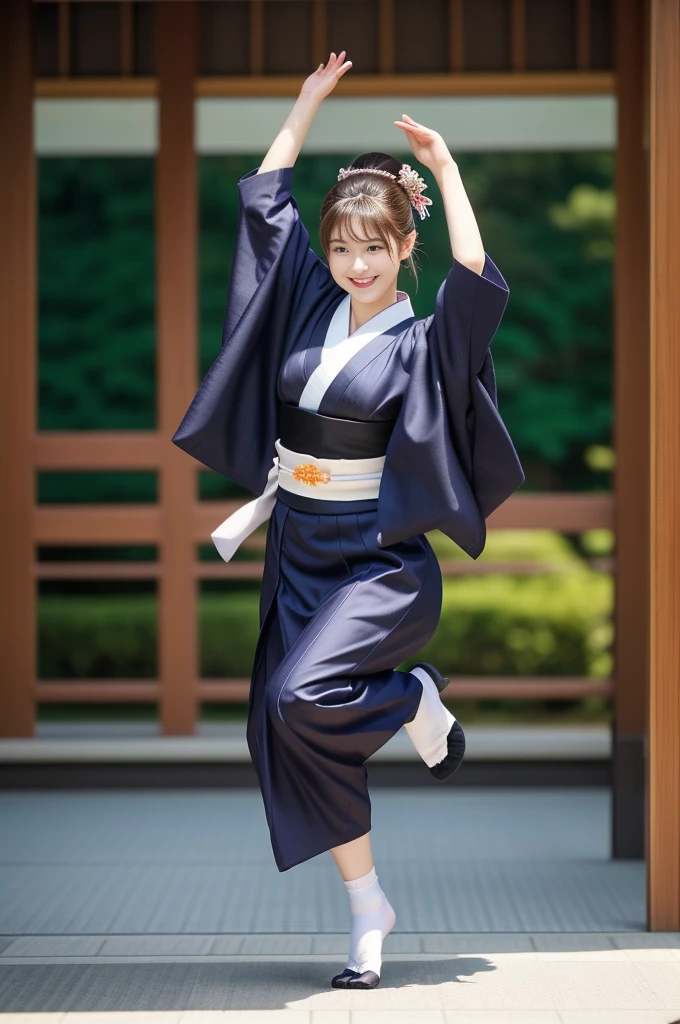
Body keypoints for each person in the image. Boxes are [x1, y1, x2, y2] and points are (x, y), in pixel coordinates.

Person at [172, 51, 524, 989]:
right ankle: (367, 905)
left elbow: (479, 277)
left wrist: (446, 174)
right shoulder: (311, 304)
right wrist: (303, 106)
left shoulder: (421, 338)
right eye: (343, 248)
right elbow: (266, 205)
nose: (355, 264)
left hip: (377, 560)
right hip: (297, 546)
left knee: (301, 698)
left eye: (375, 247)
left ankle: (413, 697)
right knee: (285, 727)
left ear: (403, 249)